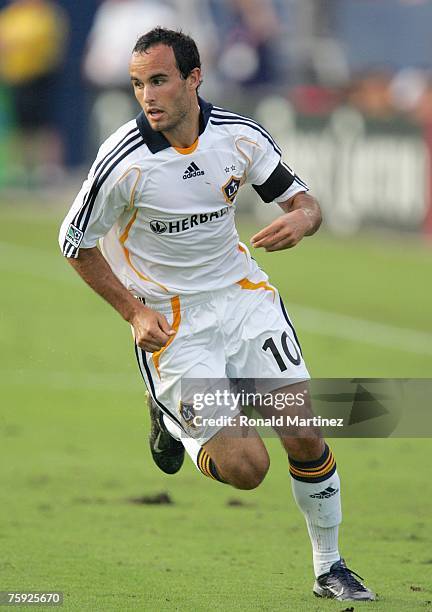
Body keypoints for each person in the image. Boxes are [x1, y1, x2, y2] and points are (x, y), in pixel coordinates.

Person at [59, 27, 375, 602]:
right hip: (173, 324)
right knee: (247, 468)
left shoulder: (238, 137)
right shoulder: (123, 160)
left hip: (243, 297)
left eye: (158, 80)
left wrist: (301, 222)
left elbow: (305, 203)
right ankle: (171, 421)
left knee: (303, 431)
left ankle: (330, 567)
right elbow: (73, 241)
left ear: (193, 79)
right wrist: (132, 313)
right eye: (137, 85)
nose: (147, 96)